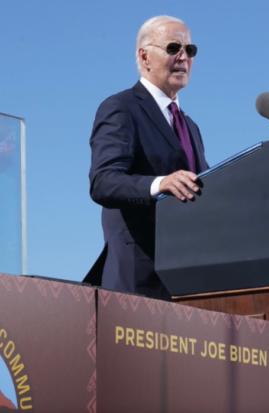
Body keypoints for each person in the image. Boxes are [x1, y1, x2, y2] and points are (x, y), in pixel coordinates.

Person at [85, 15, 209, 299]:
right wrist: (160, 184)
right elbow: (103, 181)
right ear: (144, 56)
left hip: (192, 285)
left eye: (190, 51)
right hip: (138, 284)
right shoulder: (121, 108)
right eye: (173, 48)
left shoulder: (190, 127)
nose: (183, 57)